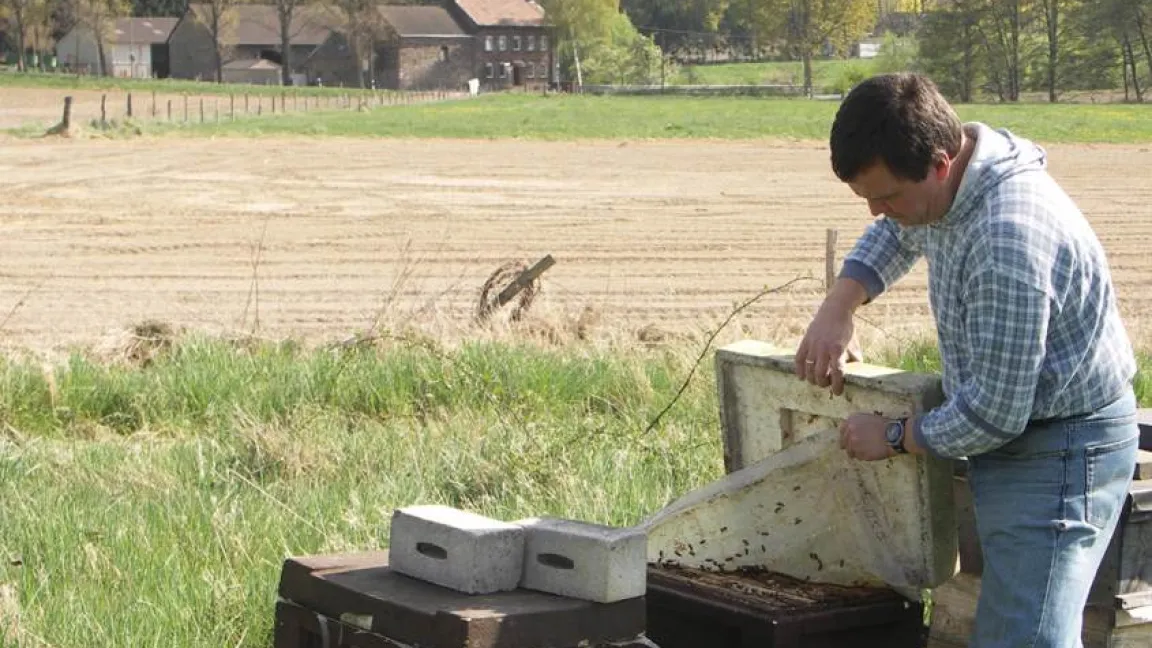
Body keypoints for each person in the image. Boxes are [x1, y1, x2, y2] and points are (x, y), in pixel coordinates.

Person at [793, 72, 1139, 648]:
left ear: (940, 161)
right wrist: (840, 304)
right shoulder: (941, 194)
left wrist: (896, 434)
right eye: (868, 199)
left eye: (888, 196)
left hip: (1060, 451)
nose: (879, 211)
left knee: (1027, 640)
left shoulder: (1008, 239)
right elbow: (897, 235)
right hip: (1016, 435)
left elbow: (995, 413)